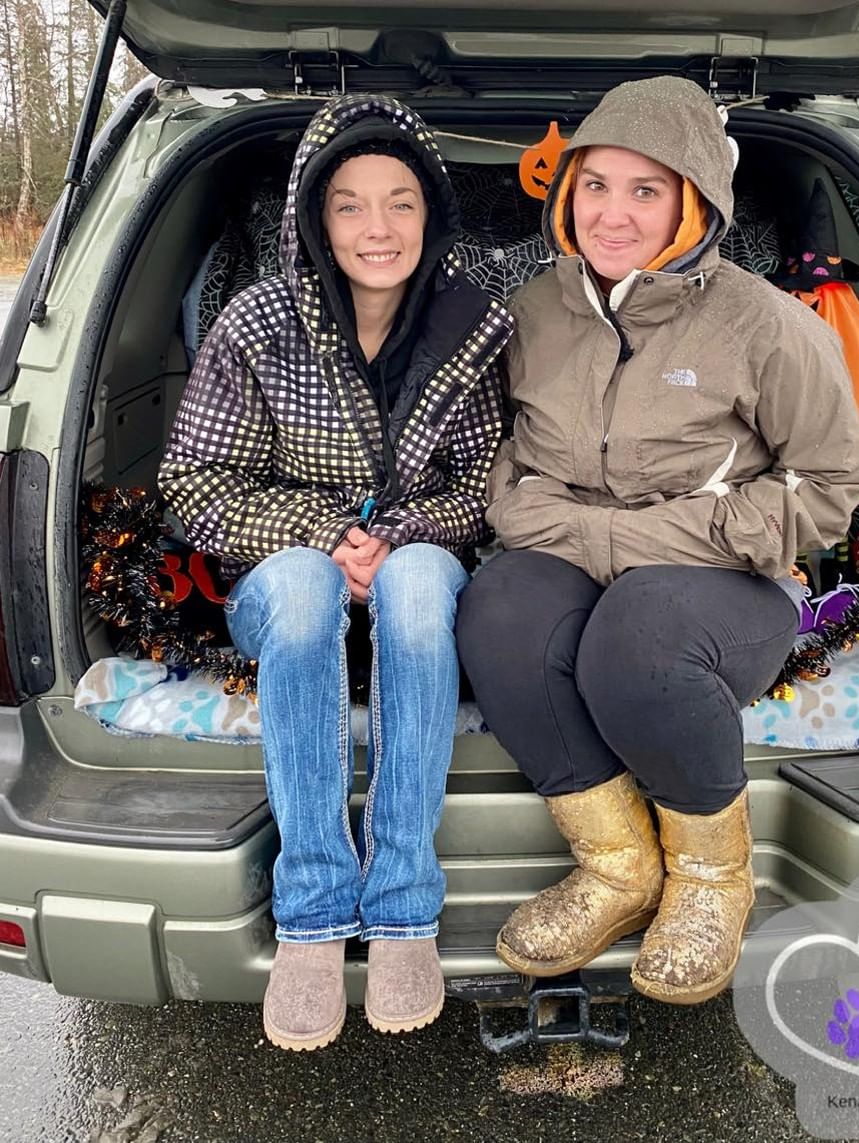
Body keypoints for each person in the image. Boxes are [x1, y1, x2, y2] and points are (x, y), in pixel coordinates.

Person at [457, 76, 859, 1005]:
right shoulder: (535, 312)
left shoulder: (768, 325)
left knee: (638, 637)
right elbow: (504, 470)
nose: (614, 213)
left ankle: (712, 879)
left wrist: (647, 537)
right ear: (566, 195)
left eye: (647, 190)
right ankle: (618, 867)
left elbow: (828, 490)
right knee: (497, 613)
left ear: (696, 203)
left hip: (729, 578)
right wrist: (577, 533)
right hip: (567, 548)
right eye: (596, 185)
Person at [159, 94, 512, 1048]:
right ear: (313, 216)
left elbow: (486, 480)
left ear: (431, 212)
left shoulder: (468, 324)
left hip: (412, 568)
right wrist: (322, 531)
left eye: (400, 200)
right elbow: (192, 481)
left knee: (419, 584)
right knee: (311, 591)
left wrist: (395, 537)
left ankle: (403, 906)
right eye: (350, 203)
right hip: (289, 581)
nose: (377, 227)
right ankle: (312, 914)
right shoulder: (257, 324)